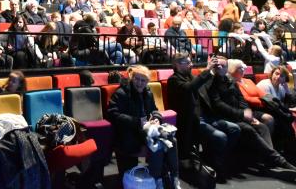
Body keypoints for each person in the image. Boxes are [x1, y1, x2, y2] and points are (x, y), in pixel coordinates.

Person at [201, 55, 296, 180]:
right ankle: (279, 161)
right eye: (217, 65)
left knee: (262, 127)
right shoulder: (210, 82)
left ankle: (268, 161)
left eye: (223, 66)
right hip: (224, 117)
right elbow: (218, 105)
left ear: (226, 69)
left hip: (238, 115)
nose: (220, 67)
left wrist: (248, 113)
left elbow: (242, 100)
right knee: (249, 129)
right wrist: (242, 115)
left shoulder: (230, 80)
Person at [167, 53, 238, 182]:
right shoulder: (174, 80)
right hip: (189, 121)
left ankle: (215, 160)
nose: (191, 64)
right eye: (188, 63)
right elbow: (189, 88)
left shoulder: (190, 76)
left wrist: (214, 72)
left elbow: (202, 85)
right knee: (220, 137)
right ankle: (216, 165)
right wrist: (207, 69)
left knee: (234, 129)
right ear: (177, 64)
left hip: (204, 116)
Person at [107, 65, 181, 188]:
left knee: (172, 140)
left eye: (143, 80)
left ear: (147, 81)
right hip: (129, 133)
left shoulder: (148, 92)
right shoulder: (121, 93)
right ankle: (157, 180)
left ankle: (172, 177)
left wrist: (156, 119)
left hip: (146, 130)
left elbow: (155, 110)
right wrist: (137, 121)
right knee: (158, 144)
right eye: (137, 79)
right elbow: (113, 115)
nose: (139, 83)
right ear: (131, 77)